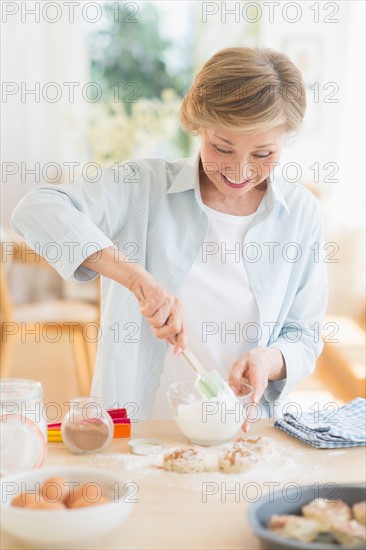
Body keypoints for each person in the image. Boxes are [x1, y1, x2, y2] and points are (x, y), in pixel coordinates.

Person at [11, 46, 328, 428]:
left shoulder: (301, 215)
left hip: (244, 433)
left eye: (263, 154)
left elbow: (304, 336)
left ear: (285, 140)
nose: (239, 170)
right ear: (198, 126)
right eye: (222, 147)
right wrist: (135, 278)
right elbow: (36, 209)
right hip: (135, 432)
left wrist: (269, 359)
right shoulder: (142, 186)